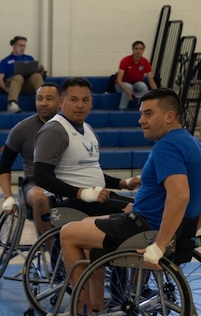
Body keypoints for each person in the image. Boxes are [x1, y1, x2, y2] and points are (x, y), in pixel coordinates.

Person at [57, 88, 201, 316]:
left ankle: (82, 314)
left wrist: (160, 244)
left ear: (169, 116)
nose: (140, 120)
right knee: (84, 226)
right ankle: (96, 308)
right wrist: (191, 227)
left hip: (144, 228)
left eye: (148, 113)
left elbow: (180, 195)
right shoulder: (192, 142)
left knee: (68, 233)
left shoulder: (167, 146)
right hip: (163, 226)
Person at [34, 77, 138, 218]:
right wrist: (83, 193)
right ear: (61, 102)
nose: (80, 105)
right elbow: (41, 177)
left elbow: (86, 170)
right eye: (74, 100)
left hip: (96, 197)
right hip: (71, 203)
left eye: (85, 100)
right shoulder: (54, 131)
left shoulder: (88, 129)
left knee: (144, 207)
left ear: (91, 103)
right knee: (134, 213)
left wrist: (123, 183)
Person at [0, 83, 60, 237]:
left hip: (65, 180)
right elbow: (4, 167)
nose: (43, 103)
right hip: (34, 183)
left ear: (60, 101)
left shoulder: (72, 127)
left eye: (49, 98)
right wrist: (8, 197)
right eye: (39, 99)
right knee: (40, 197)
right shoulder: (22, 129)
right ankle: (52, 249)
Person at [0, 36, 46, 113]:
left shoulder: (29, 58)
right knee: (18, 76)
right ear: (14, 46)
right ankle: (12, 103)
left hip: (27, 84)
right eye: (20, 45)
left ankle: (44, 101)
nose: (22, 48)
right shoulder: (5, 61)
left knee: (36, 76)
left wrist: (40, 72)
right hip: (13, 83)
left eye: (24, 45)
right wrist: (6, 89)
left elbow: (36, 77)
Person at [115, 40, 156, 110]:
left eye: (141, 49)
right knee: (129, 87)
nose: (138, 51)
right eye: (136, 48)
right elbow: (118, 80)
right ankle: (122, 109)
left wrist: (157, 93)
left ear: (143, 50)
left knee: (143, 86)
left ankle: (141, 108)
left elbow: (150, 79)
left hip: (136, 85)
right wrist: (127, 90)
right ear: (133, 49)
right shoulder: (125, 60)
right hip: (121, 86)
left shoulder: (145, 62)